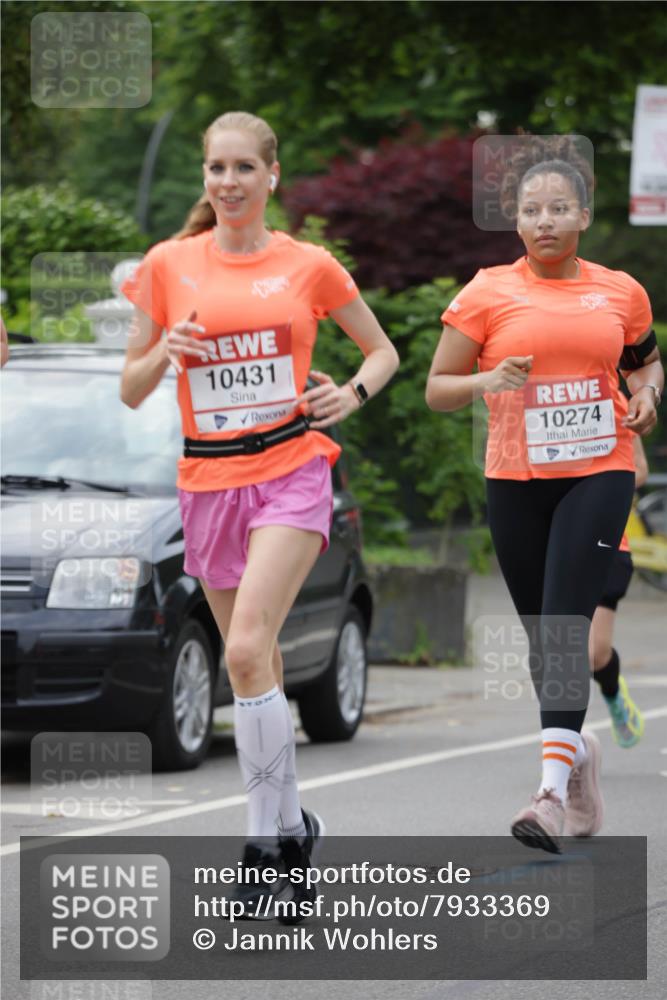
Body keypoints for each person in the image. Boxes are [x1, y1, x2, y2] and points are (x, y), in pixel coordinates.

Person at [120, 111, 399, 915]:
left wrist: (348, 394)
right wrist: (161, 353)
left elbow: (381, 351)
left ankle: (262, 844)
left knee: (242, 649)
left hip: (291, 469)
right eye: (216, 169)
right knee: (260, 665)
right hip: (208, 482)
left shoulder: (308, 265)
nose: (229, 182)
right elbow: (131, 389)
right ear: (204, 178)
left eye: (244, 167)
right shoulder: (168, 264)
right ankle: (292, 827)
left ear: (272, 175)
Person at [426, 135, 662, 853]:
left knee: (565, 631)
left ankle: (549, 796)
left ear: (582, 215)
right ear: (516, 222)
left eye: (560, 207)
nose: (546, 220)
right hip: (515, 481)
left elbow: (646, 366)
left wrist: (647, 397)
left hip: (598, 470)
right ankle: (579, 758)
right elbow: (437, 389)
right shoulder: (486, 292)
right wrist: (485, 382)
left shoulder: (619, 291)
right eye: (532, 210)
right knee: (543, 642)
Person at [590, 434, 647, 747]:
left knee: (595, 653)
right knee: (564, 652)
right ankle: (562, 747)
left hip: (607, 543)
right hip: (553, 545)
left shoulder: (616, 407)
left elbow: (640, 468)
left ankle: (613, 694)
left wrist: (595, 487)